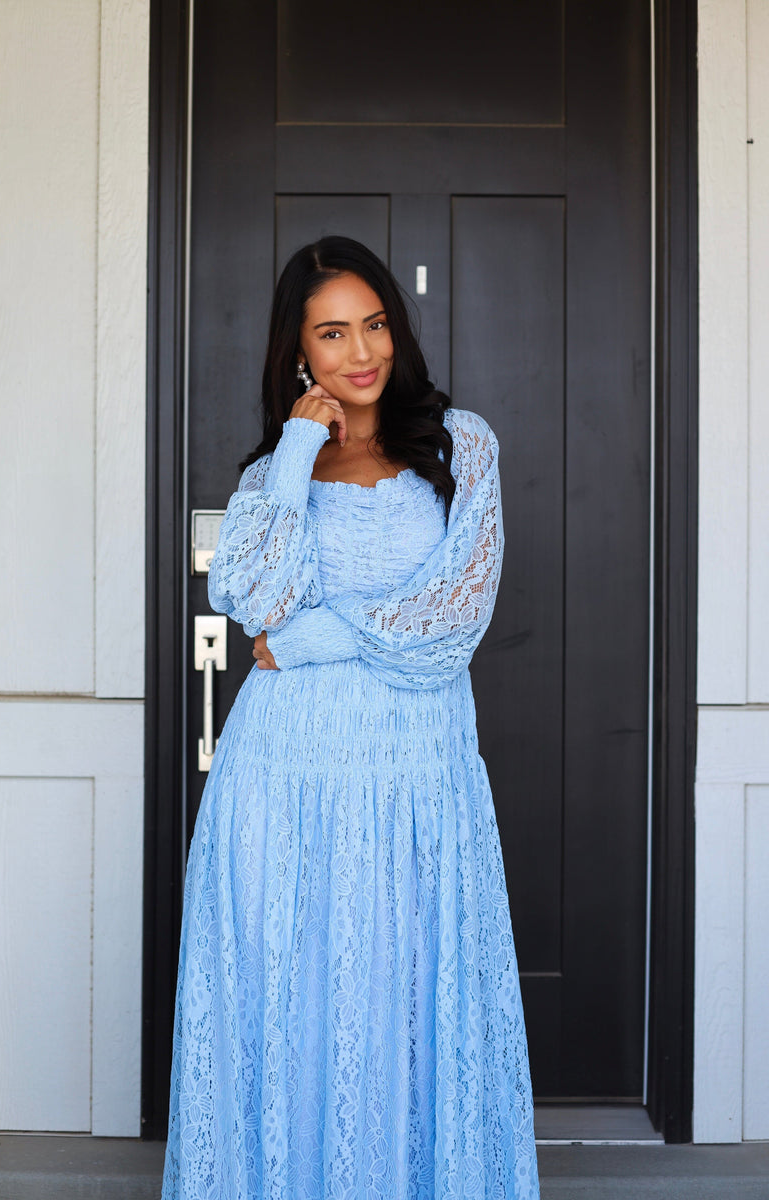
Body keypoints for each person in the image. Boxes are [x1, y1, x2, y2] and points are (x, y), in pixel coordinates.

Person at [161, 236, 540, 1199]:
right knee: (291, 1006)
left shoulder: (460, 445)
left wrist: (317, 636)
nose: (361, 352)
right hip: (283, 779)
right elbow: (250, 597)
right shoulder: (272, 476)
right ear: (298, 350)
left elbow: (453, 620)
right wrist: (297, 446)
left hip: (418, 778)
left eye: (374, 324)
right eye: (331, 334)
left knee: (406, 1008)